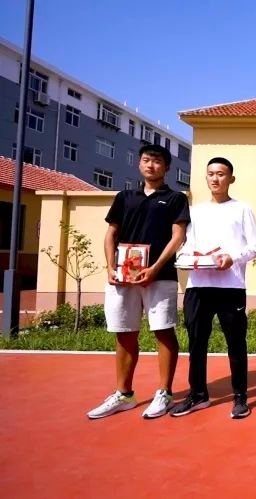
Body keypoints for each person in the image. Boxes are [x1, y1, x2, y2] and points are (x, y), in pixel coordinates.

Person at [87, 144, 190, 419]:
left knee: (163, 331)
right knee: (124, 332)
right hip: (123, 278)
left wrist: (155, 268)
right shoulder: (124, 197)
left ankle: (164, 392)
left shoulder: (175, 199)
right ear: (139, 164)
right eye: (146, 160)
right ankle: (124, 393)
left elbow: (178, 237)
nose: (151, 165)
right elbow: (111, 234)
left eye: (157, 161)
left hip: (160, 277)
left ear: (167, 167)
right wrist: (110, 267)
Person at [169, 157, 256, 419]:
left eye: (221, 174)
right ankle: (198, 394)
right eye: (211, 174)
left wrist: (233, 258)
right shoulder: (195, 211)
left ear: (231, 178)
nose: (215, 178)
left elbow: (254, 246)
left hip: (231, 286)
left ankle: (240, 396)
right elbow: (188, 244)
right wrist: (186, 258)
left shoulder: (242, 209)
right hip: (198, 286)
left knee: (236, 342)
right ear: (206, 177)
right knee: (196, 342)